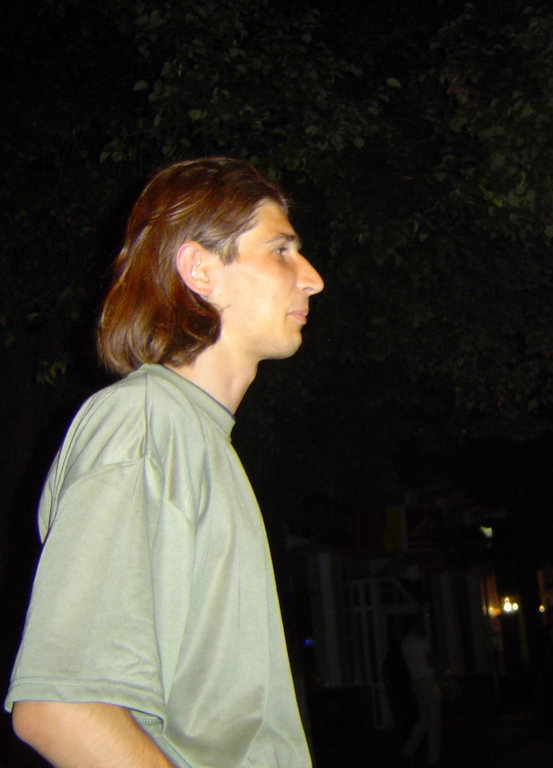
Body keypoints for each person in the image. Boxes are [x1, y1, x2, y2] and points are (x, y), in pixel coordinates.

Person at [5, 157, 325, 767]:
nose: (312, 278)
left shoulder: (197, 438)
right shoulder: (145, 423)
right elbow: (63, 708)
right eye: (281, 250)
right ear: (200, 269)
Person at [399, 616, 442, 765]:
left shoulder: (404, 643)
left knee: (423, 718)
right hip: (428, 680)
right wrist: (438, 673)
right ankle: (433, 756)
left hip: (415, 681)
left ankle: (409, 749)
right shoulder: (422, 642)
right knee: (434, 719)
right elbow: (430, 660)